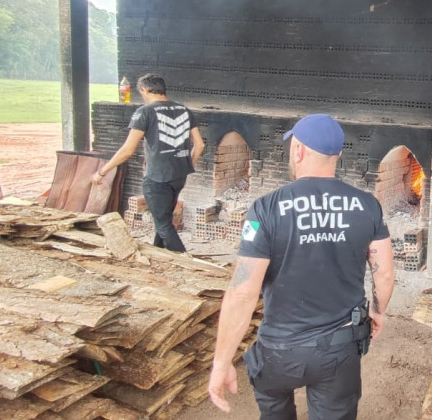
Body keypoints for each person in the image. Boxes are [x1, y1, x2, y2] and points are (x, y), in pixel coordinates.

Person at [208, 113, 395, 420]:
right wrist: (378, 311)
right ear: (336, 156)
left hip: (278, 352)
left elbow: (242, 293)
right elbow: (384, 273)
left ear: (298, 150)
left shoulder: (265, 209)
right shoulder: (367, 204)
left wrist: (221, 362)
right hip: (338, 350)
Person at [91, 73, 204, 253]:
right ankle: (158, 252)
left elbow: (127, 151)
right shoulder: (184, 110)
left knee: (163, 225)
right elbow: (199, 145)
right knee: (164, 219)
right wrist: (186, 165)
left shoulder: (145, 112)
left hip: (157, 178)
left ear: (144, 89)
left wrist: (102, 172)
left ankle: (186, 261)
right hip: (179, 177)